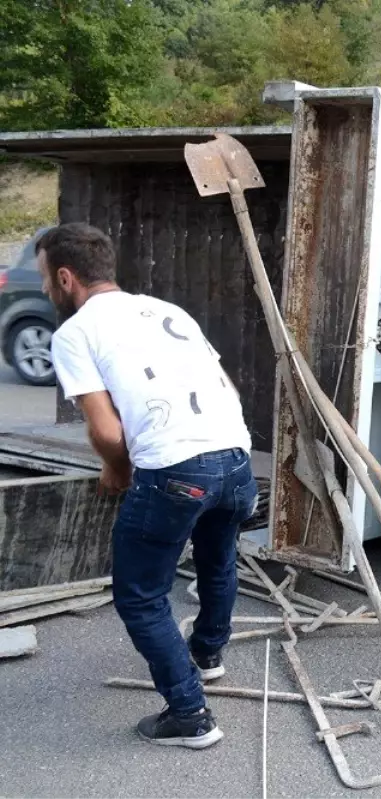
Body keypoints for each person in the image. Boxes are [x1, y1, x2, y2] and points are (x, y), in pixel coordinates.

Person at [38, 223, 257, 749]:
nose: (46, 290)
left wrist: (117, 466)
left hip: (176, 470)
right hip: (237, 457)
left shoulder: (74, 333)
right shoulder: (168, 311)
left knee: (140, 596)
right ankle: (207, 655)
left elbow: (107, 430)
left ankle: (189, 716)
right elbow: (225, 386)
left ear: (66, 277)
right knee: (217, 558)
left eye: (47, 279)